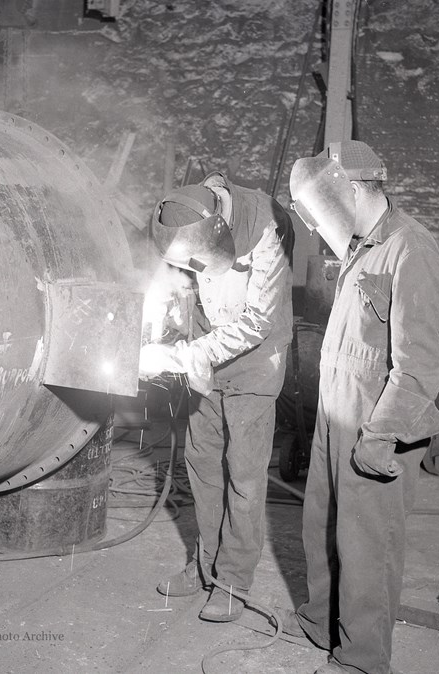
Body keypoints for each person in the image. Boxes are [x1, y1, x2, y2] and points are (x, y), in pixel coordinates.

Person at [284, 140, 439, 674]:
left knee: (366, 546)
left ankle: (361, 659)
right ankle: (320, 622)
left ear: (352, 190)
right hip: (337, 415)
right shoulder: (362, 246)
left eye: (322, 206)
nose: (317, 222)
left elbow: (422, 361)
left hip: (376, 421)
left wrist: (382, 435)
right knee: (322, 525)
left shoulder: (410, 248)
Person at [139, 172, 294, 622]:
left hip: (255, 360)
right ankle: (206, 566)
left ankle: (232, 582)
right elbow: (182, 282)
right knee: (203, 463)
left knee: (243, 477)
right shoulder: (184, 216)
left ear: (218, 229)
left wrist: (181, 356)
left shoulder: (268, 225)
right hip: (206, 351)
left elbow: (256, 323)